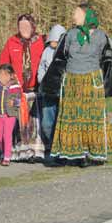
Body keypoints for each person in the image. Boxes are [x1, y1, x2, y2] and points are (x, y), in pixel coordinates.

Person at [50, 3, 112, 167]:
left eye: (76, 13)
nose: (73, 16)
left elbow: (108, 61)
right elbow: (60, 58)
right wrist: (52, 85)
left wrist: (110, 88)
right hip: (73, 82)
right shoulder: (69, 35)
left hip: (91, 81)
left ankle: (92, 154)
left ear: (86, 16)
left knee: (90, 119)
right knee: (74, 118)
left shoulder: (102, 37)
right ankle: (75, 155)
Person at [0, 14, 45, 161]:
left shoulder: (41, 42)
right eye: (21, 26)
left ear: (33, 26)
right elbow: (4, 65)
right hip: (15, 91)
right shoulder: (12, 42)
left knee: (34, 124)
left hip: (34, 90)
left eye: (27, 26)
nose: (24, 29)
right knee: (18, 123)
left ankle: (34, 152)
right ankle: (17, 152)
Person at [37, 24, 66, 155]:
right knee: (47, 123)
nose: (54, 42)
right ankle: (50, 144)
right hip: (48, 92)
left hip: (62, 93)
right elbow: (41, 68)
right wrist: (41, 80)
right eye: (52, 40)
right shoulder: (46, 52)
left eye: (56, 40)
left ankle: (59, 147)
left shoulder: (66, 52)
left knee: (61, 122)